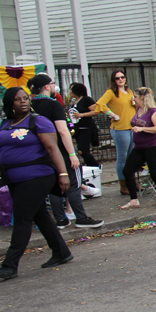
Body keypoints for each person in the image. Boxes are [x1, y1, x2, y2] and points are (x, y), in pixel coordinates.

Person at [0, 87, 73, 281]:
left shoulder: (38, 120)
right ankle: (61, 252)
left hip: (37, 175)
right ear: (10, 103)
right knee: (39, 215)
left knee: (22, 218)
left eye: (25, 98)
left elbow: (52, 148)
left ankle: (9, 266)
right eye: (17, 99)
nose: (23, 101)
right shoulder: (5, 123)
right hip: (14, 177)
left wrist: (63, 173)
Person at [27, 74, 103, 229]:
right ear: (47, 87)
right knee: (74, 183)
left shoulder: (30, 106)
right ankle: (81, 218)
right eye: (52, 83)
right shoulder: (53, 105)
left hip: (43, 152)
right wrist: (72, 154)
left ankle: (61, 219)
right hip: (61, 150)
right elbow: (63, 131)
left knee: (54, 185)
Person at [119, 87, 156, 210]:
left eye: (135, 96)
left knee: (154, 172)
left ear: (142, 97)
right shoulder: (138, 110)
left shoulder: (153, 112)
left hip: (153, 146)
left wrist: (142, 129)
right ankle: (134, 199)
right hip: (139, 147)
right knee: (127, 170)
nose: (133, 98)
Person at [95, 70, 136, 195]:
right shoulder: (111, 92)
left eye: (122, 77)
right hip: (120, 128)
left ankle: (131, 181)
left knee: (131, 156)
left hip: (132, 127)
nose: (120, 79)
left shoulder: (129, 92)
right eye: (117, 78)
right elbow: (100, 104)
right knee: (122, 156)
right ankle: (123, 184)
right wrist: (111, 114)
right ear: (114, 80)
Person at [68, 82, 100, 167]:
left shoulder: (86, 100)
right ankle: (90, 165)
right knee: (82, 149)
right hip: (78, 128)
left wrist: (82, 115)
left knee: (82, 150)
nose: (70, 92)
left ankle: (95, 165)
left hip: (86, 128)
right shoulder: (74, 101)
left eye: (71, 90)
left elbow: (96, 111)